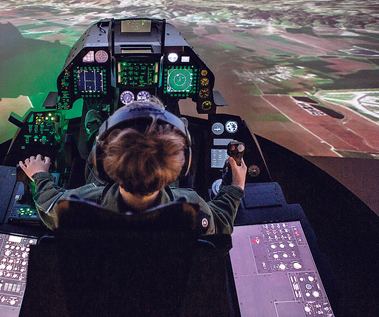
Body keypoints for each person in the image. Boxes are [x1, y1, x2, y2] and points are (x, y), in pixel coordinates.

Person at [19, 99, 247, 235]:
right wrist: (236, 187)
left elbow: (47, 204)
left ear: (100, 161)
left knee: (92, 160)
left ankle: (94, 130)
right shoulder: (192, 208)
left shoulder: (79, 206)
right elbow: (222, 222)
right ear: (183, 163)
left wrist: (40, 176)